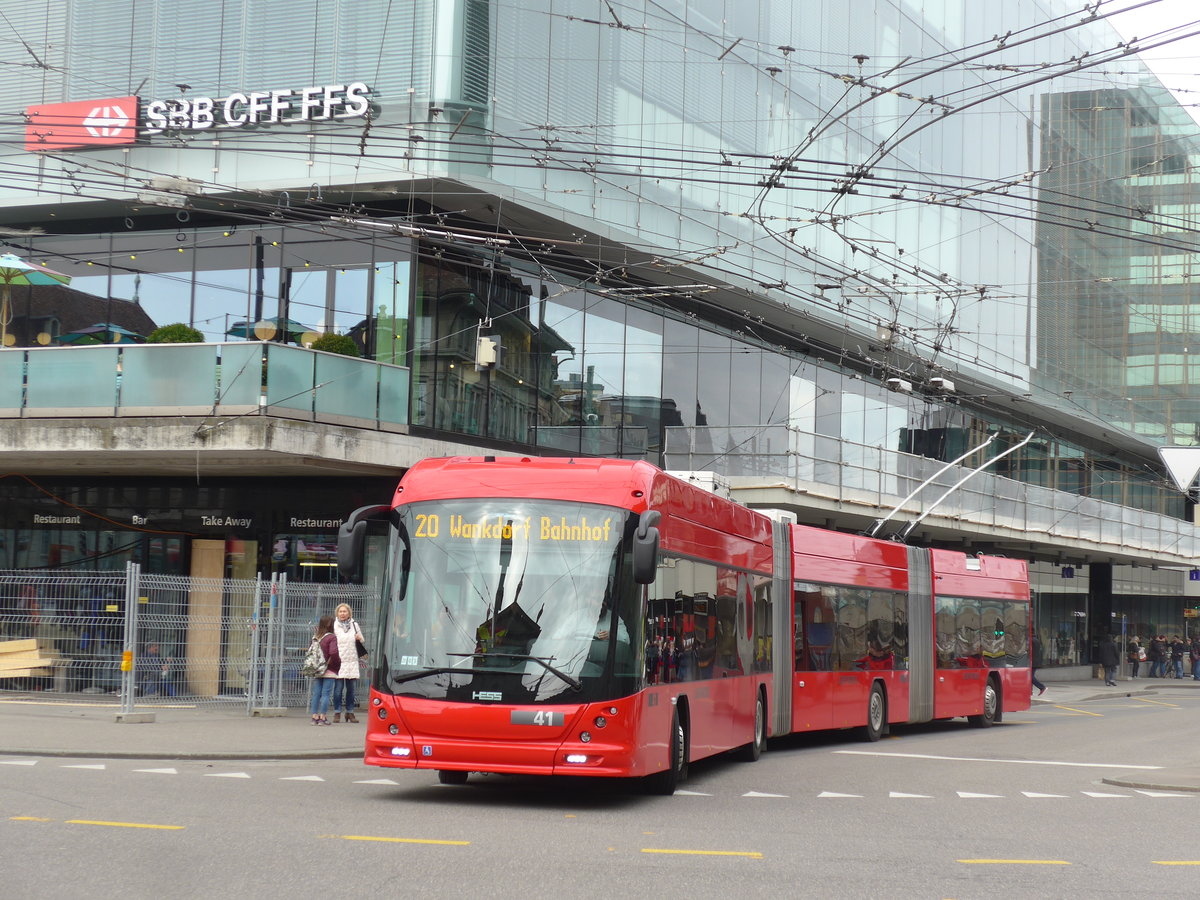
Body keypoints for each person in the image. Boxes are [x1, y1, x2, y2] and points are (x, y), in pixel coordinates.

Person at [330, 603, 365, 723]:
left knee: (351, 690)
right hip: (339, 661)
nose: (342, 613)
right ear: (337, 613)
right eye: (340, 611)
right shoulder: (334, 626)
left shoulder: (354, 624)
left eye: (345, 611)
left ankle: (350, 712)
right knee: (338, 690)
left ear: (349, 613)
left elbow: (362, 639)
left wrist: (359, 638)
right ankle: (337, 712)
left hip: (352, 661)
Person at [309, 615, 338, 726]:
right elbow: (333, 652)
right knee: (326, 694)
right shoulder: (331, 637)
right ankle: (322, 717)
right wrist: (335, 662)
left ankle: (314, 716)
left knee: (316, 693)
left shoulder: (316, 637)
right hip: (329, 669)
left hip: (317, 668)